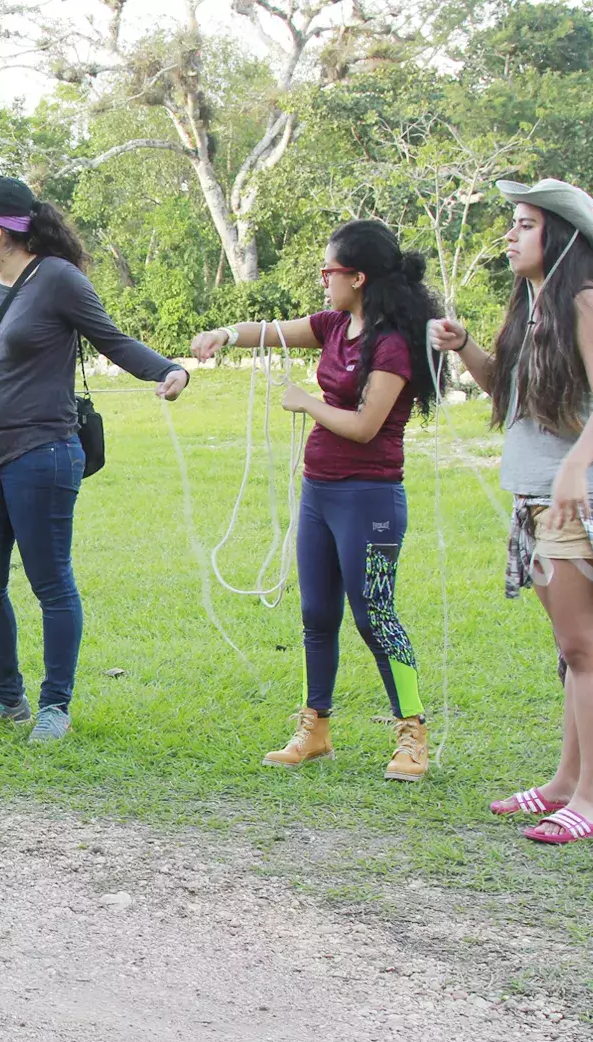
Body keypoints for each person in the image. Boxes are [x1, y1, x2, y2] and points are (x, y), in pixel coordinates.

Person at [0, 177, 188, 743]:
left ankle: (54, 706)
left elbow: (111, 340)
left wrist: (171, 369)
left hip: (41, 452)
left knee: (50, 582)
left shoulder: (60, 280)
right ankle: (6, 699)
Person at [432, 179, 593, 846]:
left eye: (524, 224)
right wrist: (466, 345)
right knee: (570, 650)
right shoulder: (530, 306)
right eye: (514, 223)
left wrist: (576, 467)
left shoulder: (587, 304)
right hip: (539, 497)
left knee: (585, 649)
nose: (510, 234)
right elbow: (511, 390)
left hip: (583, 496)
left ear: (559, 236)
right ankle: (562, 785)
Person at [191, 219, 446, 780]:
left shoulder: (393, 345)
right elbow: (272, 331)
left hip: (371, 498)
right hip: (320, 494)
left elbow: (364, 426)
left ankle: (412, 734)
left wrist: (306, 402)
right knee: (317, 614)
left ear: (357, 277)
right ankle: (316, 727)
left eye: (328, 271)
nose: (322, 280)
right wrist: (224, 335)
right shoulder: (334, 325)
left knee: (375, 614)